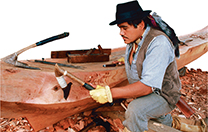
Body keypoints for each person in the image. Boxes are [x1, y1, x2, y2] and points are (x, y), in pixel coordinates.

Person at [89, 1, 181, 132]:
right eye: (120, 28)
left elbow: (147, 87)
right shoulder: (133, 40)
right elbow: (141, 56)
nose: (120, 33)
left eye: (124, 28)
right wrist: (129, 61)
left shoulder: (159, 43)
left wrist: (110, 93)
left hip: (163, 94)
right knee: (154, 118)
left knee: (135, 110)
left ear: (141, 24)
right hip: (146, 92)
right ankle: (171, 124)